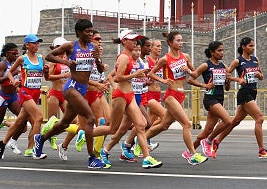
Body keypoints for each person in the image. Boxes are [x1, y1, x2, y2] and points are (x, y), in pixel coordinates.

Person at [32, 19, 107, 169]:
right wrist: (66, 63)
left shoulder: (92, 47)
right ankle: (92, 157)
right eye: (87, 31)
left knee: (65, 123)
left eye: (91, 31)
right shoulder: (71, 46)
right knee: (90, 118)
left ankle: (41, 138)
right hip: (71, 88)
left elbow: (99, 70)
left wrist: (97, 58)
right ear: (79, 32)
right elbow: (49, 56)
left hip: (83, 89)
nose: (90, 34)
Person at [92, 29, 162, 169]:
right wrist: (135, 74)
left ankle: (147, 158)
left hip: (130, 95)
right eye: (132, 39)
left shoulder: (132, 58)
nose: (135, 42)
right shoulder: (123, 57)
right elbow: (117, 78)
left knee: (141, 125)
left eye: (136, 39)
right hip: (121, 96)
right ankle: (85, 132)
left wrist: (140, 77)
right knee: (112, 128)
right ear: (124, 41)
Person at [144, 31, 207, 166]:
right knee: (187, 124)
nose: (180, 43)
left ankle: (141, 141)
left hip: (181, 94)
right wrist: (163, 80)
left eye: (181, 40)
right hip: (171, 95)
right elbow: (151, 73)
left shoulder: (186, 57)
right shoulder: (165, 59)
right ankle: (192, 154)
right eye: (178, 41)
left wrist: (188, 71)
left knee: (164, 125)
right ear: (170, 43)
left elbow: (195, 73)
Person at [208, 37, 267, 159]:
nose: (252, 48)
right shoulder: (238, 61)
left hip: (253, 92)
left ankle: (216, 142)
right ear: (243, 47)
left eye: (253, 46)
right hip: (244, 93)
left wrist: (260, 75)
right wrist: (237, 79)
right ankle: (261, 150)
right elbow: (226, 74)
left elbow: (261, 76)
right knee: (259, 118)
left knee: (234, 122)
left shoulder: (255, 60)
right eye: (250, 46)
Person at [0, 34, 49, 159]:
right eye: (34, 43)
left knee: (20, 121)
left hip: (36, 93)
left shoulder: (41, 58)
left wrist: (46, 72)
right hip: (25, 93)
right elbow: (9, 72)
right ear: (27, 45)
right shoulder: (22, 59)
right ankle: (36, 150)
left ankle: (2, 143)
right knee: (39, 118)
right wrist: (13, 81)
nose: (37, 45)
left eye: (38, 43)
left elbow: (46, 78)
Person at [187, 41, 234, 158]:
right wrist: (204, 85)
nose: (222, 53)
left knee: (207, 130)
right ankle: (208, 141)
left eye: (222, 50)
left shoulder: (224, 66)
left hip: (219, 98)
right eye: (219, 50)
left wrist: (228, 81)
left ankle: (189, 152)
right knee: (228, 121)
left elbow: (227, 88)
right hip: (210, 99)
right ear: (212, 52)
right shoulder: (206, 65)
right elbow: (190, 80)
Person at [43, 36, 71, 150]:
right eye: (58, 47)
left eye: (62, 47)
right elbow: (48, 77)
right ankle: (42, 140)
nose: (61, 49)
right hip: (54, 94)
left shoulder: (67, 60)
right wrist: (63, 75)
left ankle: (53, 137)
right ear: (54, 48)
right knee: (51, 123)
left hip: (65, 95)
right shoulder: (53, 62)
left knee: (71, 122)